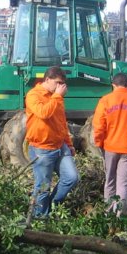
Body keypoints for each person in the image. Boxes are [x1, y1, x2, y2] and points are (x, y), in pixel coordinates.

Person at [25, 66, 79, 217]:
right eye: (57, 82)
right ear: (47, 79)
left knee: (72, 178)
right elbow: (44, 113)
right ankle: (39, 218)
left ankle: (53, 208)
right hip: (42, 148)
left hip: (60, 146)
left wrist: (69, 144)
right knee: (43, 187)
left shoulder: (57, 97)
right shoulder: (33, 95)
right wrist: (57, 96)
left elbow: (61, 122)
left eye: (62, 84)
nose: (60, 87)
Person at [93, 72, 127, 218]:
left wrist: (99, 143)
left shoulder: (105, 101)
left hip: (110, 147)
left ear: (113, 85)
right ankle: (120, 214)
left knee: (110, 180)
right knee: (123, 183)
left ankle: (108, 212)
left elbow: (98, 126)